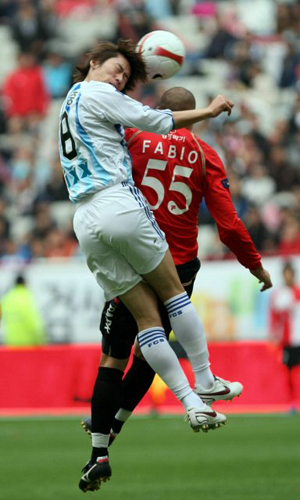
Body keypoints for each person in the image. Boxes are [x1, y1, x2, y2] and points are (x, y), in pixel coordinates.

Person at [58, 40, 272, 492]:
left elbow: (134, 120)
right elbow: (229, 221)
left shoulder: (90, 110)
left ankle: (101, 447)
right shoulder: (203, 152)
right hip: (157, 241)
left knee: (117, 355)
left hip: (88, 219)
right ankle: (202, 386)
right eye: (115, 70)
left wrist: (136, 71)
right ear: (95, 65)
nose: (120, 79)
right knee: (163, 321)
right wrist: (255, 265)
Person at [270, 261, 300, 411]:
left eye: (290, 274)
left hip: (298, 338)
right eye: (286, 274)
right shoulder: (279, 295)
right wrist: (274, 336)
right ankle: (292, 401)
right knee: (288, 371)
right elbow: (275, 317)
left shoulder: (298, 292)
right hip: (288, 340)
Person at [0, 274, 47, 346]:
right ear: (25, 283)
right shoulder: (26, 298)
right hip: (27, 344)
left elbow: (3, 320)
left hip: (11, 343)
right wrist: (41, 340)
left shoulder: (7, 299)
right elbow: (33, 321)